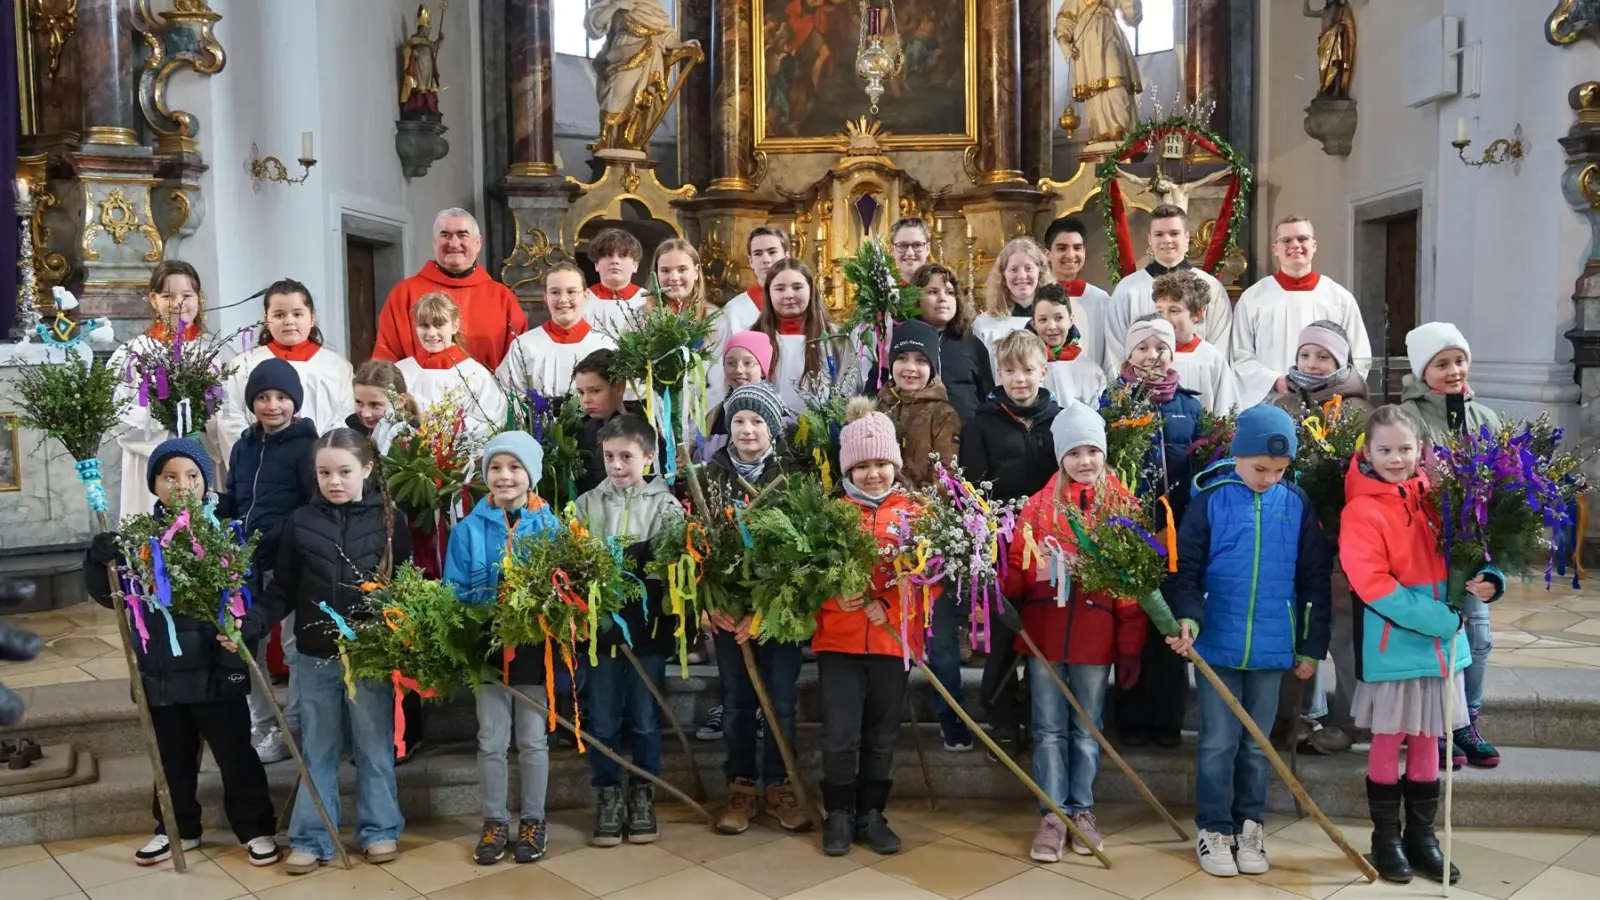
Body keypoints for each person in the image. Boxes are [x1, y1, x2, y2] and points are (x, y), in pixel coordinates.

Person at [86, 439, 278, 868]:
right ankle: (176, 827)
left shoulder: (224, 533)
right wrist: (97, 562)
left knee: (235, 753)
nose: (182, 486)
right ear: (154, 483)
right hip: (162, 671)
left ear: (206, 483)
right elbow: (112, 598)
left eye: (192, 477)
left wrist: (240, 626)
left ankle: (256, 827)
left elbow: (247, 592)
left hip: (215, 665)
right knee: (171, 755)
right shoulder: (138, 539)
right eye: (170, 477)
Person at [229, 428, 413, 873]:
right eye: (324, 472)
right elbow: (283, 590)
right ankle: (314, 836)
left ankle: (379, 829)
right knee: (318, 747)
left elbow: (409, 590)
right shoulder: (301, 522)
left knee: (372, 746)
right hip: (315, 656)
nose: (334, 481)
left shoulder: (392, 522)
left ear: (367, 470)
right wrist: (249, 623)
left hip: (369, 656)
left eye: (344, 472)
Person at [1166, 404, 1332, 879]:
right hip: (1217, 643)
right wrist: (1188, 617)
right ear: (1238, 456)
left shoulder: (1296, 504)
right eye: (1260, 468)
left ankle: (1250, 823)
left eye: (1279, 471)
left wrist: (1309, 645)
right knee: (1218, 742)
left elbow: (1313, 578)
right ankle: (1214, 826)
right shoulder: (1210, 501)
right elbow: (1185, 568)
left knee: (1258, 744)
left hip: (1273, 645)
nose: (1268, 478)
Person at [1339, 404, 1498, 885]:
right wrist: (1439, 619)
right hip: (1397, 643)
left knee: (1428, 738)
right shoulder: (1361, 509)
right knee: (1390, 738)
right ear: (1367, 451)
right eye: (1384, 449)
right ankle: (1385, 838)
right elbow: (1372, 583)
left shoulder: (1439, 496)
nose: (1395, 458)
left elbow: (1474, 546)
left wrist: (1490, 576)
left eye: (1405, 449)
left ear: (1420, 450)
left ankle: (1422, 838)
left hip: (1441, 646)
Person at [1003, 401, 1146, 862]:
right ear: (1060, 456)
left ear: (1104, 453)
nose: (1085, 461)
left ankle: (1082, 811)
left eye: (1092, 451)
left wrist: (1128, 648)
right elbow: (1017, 578)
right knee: (1047, 729)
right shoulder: (1039, 509)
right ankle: (1052, 815)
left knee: (1087, 729)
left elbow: (1132, 590)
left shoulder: (1122, 507)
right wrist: (999, 573)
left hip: (1095, 641)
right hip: (1045, 638)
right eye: (1075, 453)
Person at [816, 398, 926, 857]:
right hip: (838, 642)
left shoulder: (917, 514)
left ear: (896, 464)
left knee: (881, 734)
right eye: (862, 466)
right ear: (847, 470)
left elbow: (930, 578)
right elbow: (804, 571)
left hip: (889, 641)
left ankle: (871, 813)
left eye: (882, 463)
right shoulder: (827, 514)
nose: (873, 473)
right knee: (841, 733)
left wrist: (890, 603)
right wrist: (831, 592)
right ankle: (839, 813)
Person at [447, 432, 561, 866]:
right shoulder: (467, 529)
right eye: (496, 467)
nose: (505, 476)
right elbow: (453, 588)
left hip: (533, 648)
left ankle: (534, 820)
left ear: (530, 474)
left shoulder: (550, 526)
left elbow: (562, 587)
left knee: (533, 740)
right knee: (491, 739)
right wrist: (479, 609)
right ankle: (494, 821)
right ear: (485, 474)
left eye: (515, 468)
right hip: (486, 648)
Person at [703, 382, 811, 835]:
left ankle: (781, 784)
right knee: (737, 701)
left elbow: (804, 554)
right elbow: (696, 548)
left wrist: (766, 611)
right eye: (739, 421)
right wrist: (710, 604)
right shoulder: (710, 475)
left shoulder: (795, 476)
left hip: (779, 615)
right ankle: (741, 784)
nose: (747, 429)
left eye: (757, 421)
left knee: (780, 701)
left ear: (773, 427)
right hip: (729, 612)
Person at [575, 414, 682, 847]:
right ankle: (607, 792)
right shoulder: (586, 505)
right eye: (609, 457)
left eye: (626, 457)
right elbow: (575, 561)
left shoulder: (665, 505)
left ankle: (642, 790)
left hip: (646, 627)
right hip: (597, 629)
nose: (617, 466)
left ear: (649, 458)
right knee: (600, 714)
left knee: (643, 714)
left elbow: (666, 565)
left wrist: (631, 563)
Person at [1400, 322, 1502, 770]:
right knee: (1439, 636)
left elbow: (1505, 482)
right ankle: (1436, 726)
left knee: (1479, 637)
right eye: (1441, 363)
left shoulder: (1487, 418)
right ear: (1424, 372)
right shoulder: (1408, 418)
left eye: (1459, 360)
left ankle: (1467, 722)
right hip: (1425, 544)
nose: (1454, 370)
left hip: (1472, 545)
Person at [959, 329, 1062, 760]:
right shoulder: (982, 424)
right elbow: (971, 486)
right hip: (1001, 544)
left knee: (1044, 632)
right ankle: (1000, 714)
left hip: (1051, 544)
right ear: (998, 373)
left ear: (1043, 370)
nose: (1019, 379)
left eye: (1028, 370)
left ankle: (1041, 715)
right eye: (1010, 370)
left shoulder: (1059, 419)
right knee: (1005, 632)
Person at [1107, 316, 1202, 749]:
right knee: (1133, 623)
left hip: (1175, 533)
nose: (1152, 356)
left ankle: (1166, 720)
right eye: (1143, 347)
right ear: (1129, 353)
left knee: (1169, 623)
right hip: (1130, 529)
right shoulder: (1112, 402)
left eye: (1160, 348)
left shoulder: (1190, 406)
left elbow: (1200, 466)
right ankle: (1130, 717)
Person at [219, 359, 318, 765]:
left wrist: (285, 543)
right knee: (247, 644)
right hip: (246, 562)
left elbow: (310, 506)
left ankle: (292, 725)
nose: (272, 405)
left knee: (295, 647)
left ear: (294, 402)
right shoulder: (243, 447)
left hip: (289, 563)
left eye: (281, 397)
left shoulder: (306, 447)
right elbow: (238, 497)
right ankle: (264, 721)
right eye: (262, 397)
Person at [111, 261, 223, 519]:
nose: (178, 303)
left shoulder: (213, 353)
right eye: (167, 296)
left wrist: (202, 426)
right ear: (153, 299)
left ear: (199, 298)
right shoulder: (134, 353)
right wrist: (167, 422)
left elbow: (226, 414)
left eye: (187, 295)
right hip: (152, 464)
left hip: (201, 457)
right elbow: (119, 415)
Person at [1231, 216, 1371, 406]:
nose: (1295, 245)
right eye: (1286, 240)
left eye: (1302, 239)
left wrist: (1335, 391)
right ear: (1275, 249)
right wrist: (1276, 381)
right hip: (1271, 402)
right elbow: (1240, 356)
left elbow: (1359, 355)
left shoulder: (1339, 298)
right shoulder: (1253, 298)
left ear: (1314, 245)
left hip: (1329, 404)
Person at [373, 208, 528, 370]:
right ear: (434, 242)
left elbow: (518, 364)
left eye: (462, 235)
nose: (454, 244)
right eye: (445, 235)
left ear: (478, 243)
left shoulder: (503, 298)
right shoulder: (404, 294)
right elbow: (386, 358)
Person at [218, 279, 354, 462]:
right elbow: (230, 419)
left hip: (322, 466)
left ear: (312, 317)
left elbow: (344, 418)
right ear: (266, 318)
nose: (289, 321)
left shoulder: (337, 367)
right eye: (279, 315)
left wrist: (323, 459)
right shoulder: (243, 364)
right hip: (260, 463)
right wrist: (254, 458)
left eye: (297, 314)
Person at [1105, 204, 1234, 365]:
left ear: (1186, 237)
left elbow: (1220, 345)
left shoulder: (1211, 287)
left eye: (1174, 233)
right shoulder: (1128, 289)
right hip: (1142, 385)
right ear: (1149, 239)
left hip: (1197, 381)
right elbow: (1116, 350)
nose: (1167, 240)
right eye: (1159, 234)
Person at [499, 261, 616, 401]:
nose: (563, 299)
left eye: (571, 292)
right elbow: (506, 393)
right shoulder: (524, 346)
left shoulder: (606, 345)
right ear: (545, 297)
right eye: (555, 292)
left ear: (586, 296)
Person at [753, 259, 851, 412]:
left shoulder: (835, 338)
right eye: (779, 289)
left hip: (822, 431)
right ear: (768, 293)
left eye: (797, 287)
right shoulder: (753, 338)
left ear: (811, 290)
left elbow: (849, 391)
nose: (788, 295)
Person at [877, 319, 960, 490]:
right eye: (902, 358)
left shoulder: (942, 414)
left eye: (921, 360)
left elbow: (947, 473)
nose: (910, 368)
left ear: (932, 367)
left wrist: (921, 507)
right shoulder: (878, 407)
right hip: (879, 503)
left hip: (922, 510)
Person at [911, 262, 993, 423]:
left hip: (967, 436)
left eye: (950, 292)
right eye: (933, 292)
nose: (943, 298)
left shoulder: (972, 344)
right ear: (916, 298)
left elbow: (988, 396)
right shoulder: (905, 340)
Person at [1154, 271, 1241, 415]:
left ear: (1197, 314)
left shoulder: (1211, 359)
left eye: (1174, 311)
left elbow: (1226, 412)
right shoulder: (1150, 355)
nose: (1165, 318)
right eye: (1160, 311)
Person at [1043, 216, 1114, 372]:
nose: (1070, 255)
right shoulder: (1037, 299)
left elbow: (1109, 357)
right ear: (1048, 254)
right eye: (1062, 248)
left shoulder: (1100, 299)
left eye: (1077, 248)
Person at [972, 237, 1049, 380]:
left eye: (1028, 268)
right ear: (1003, 275)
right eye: (1013, 269)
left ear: (1040, 271)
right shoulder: (984, 325)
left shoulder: (1053, 322)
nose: (1021, 276)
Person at [1268, 320, 1372, 419]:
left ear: (1340, 363)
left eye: (1323, 357)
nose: (1311, 364)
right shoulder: (1281, 406)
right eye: (1304, 355)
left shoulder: (1356, 411)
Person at [698, 331, 776, 463]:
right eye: (731, 363)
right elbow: (701, 461)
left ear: (763, 370)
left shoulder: (777, 415)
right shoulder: (714, 416)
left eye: (747, 363)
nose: (738, 370)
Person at [1032, 282, 1106, 405]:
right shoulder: (1027, 367)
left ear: (1071, 320)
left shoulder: (1090, 370)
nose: (1051, 326)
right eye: (1043, 319)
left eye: (1058, 318)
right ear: (1034, 324)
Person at [572, 349, 629, 496]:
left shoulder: (638, 432)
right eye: (581, 393)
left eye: (595, 391)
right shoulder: (579, 432)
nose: (586, 400)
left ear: (619, 387)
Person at [584, 228, 646, 336]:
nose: (615, 261)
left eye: (622, 256)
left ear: (635, 265)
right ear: (596, 264)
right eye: (608, 255)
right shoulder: (582, 299)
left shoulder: (647, 299)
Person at [347, 359, 421, 448]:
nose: (365, 413)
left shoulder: (415, 441)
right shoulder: (350, 434)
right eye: (359, 402)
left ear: (399, 401)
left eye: (375, 404)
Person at [651, 238, 708, 317]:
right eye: (665, 270)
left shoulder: (717, 319)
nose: (674, 278)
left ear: (696, 272)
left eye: (682, 270)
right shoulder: (638, 317)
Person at [890, 216, 932, 284]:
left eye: (917, 245)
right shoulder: (880, 292)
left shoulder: (941, 289)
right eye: (902, 245)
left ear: (927, 249)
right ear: (892, 250)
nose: (910, 253)